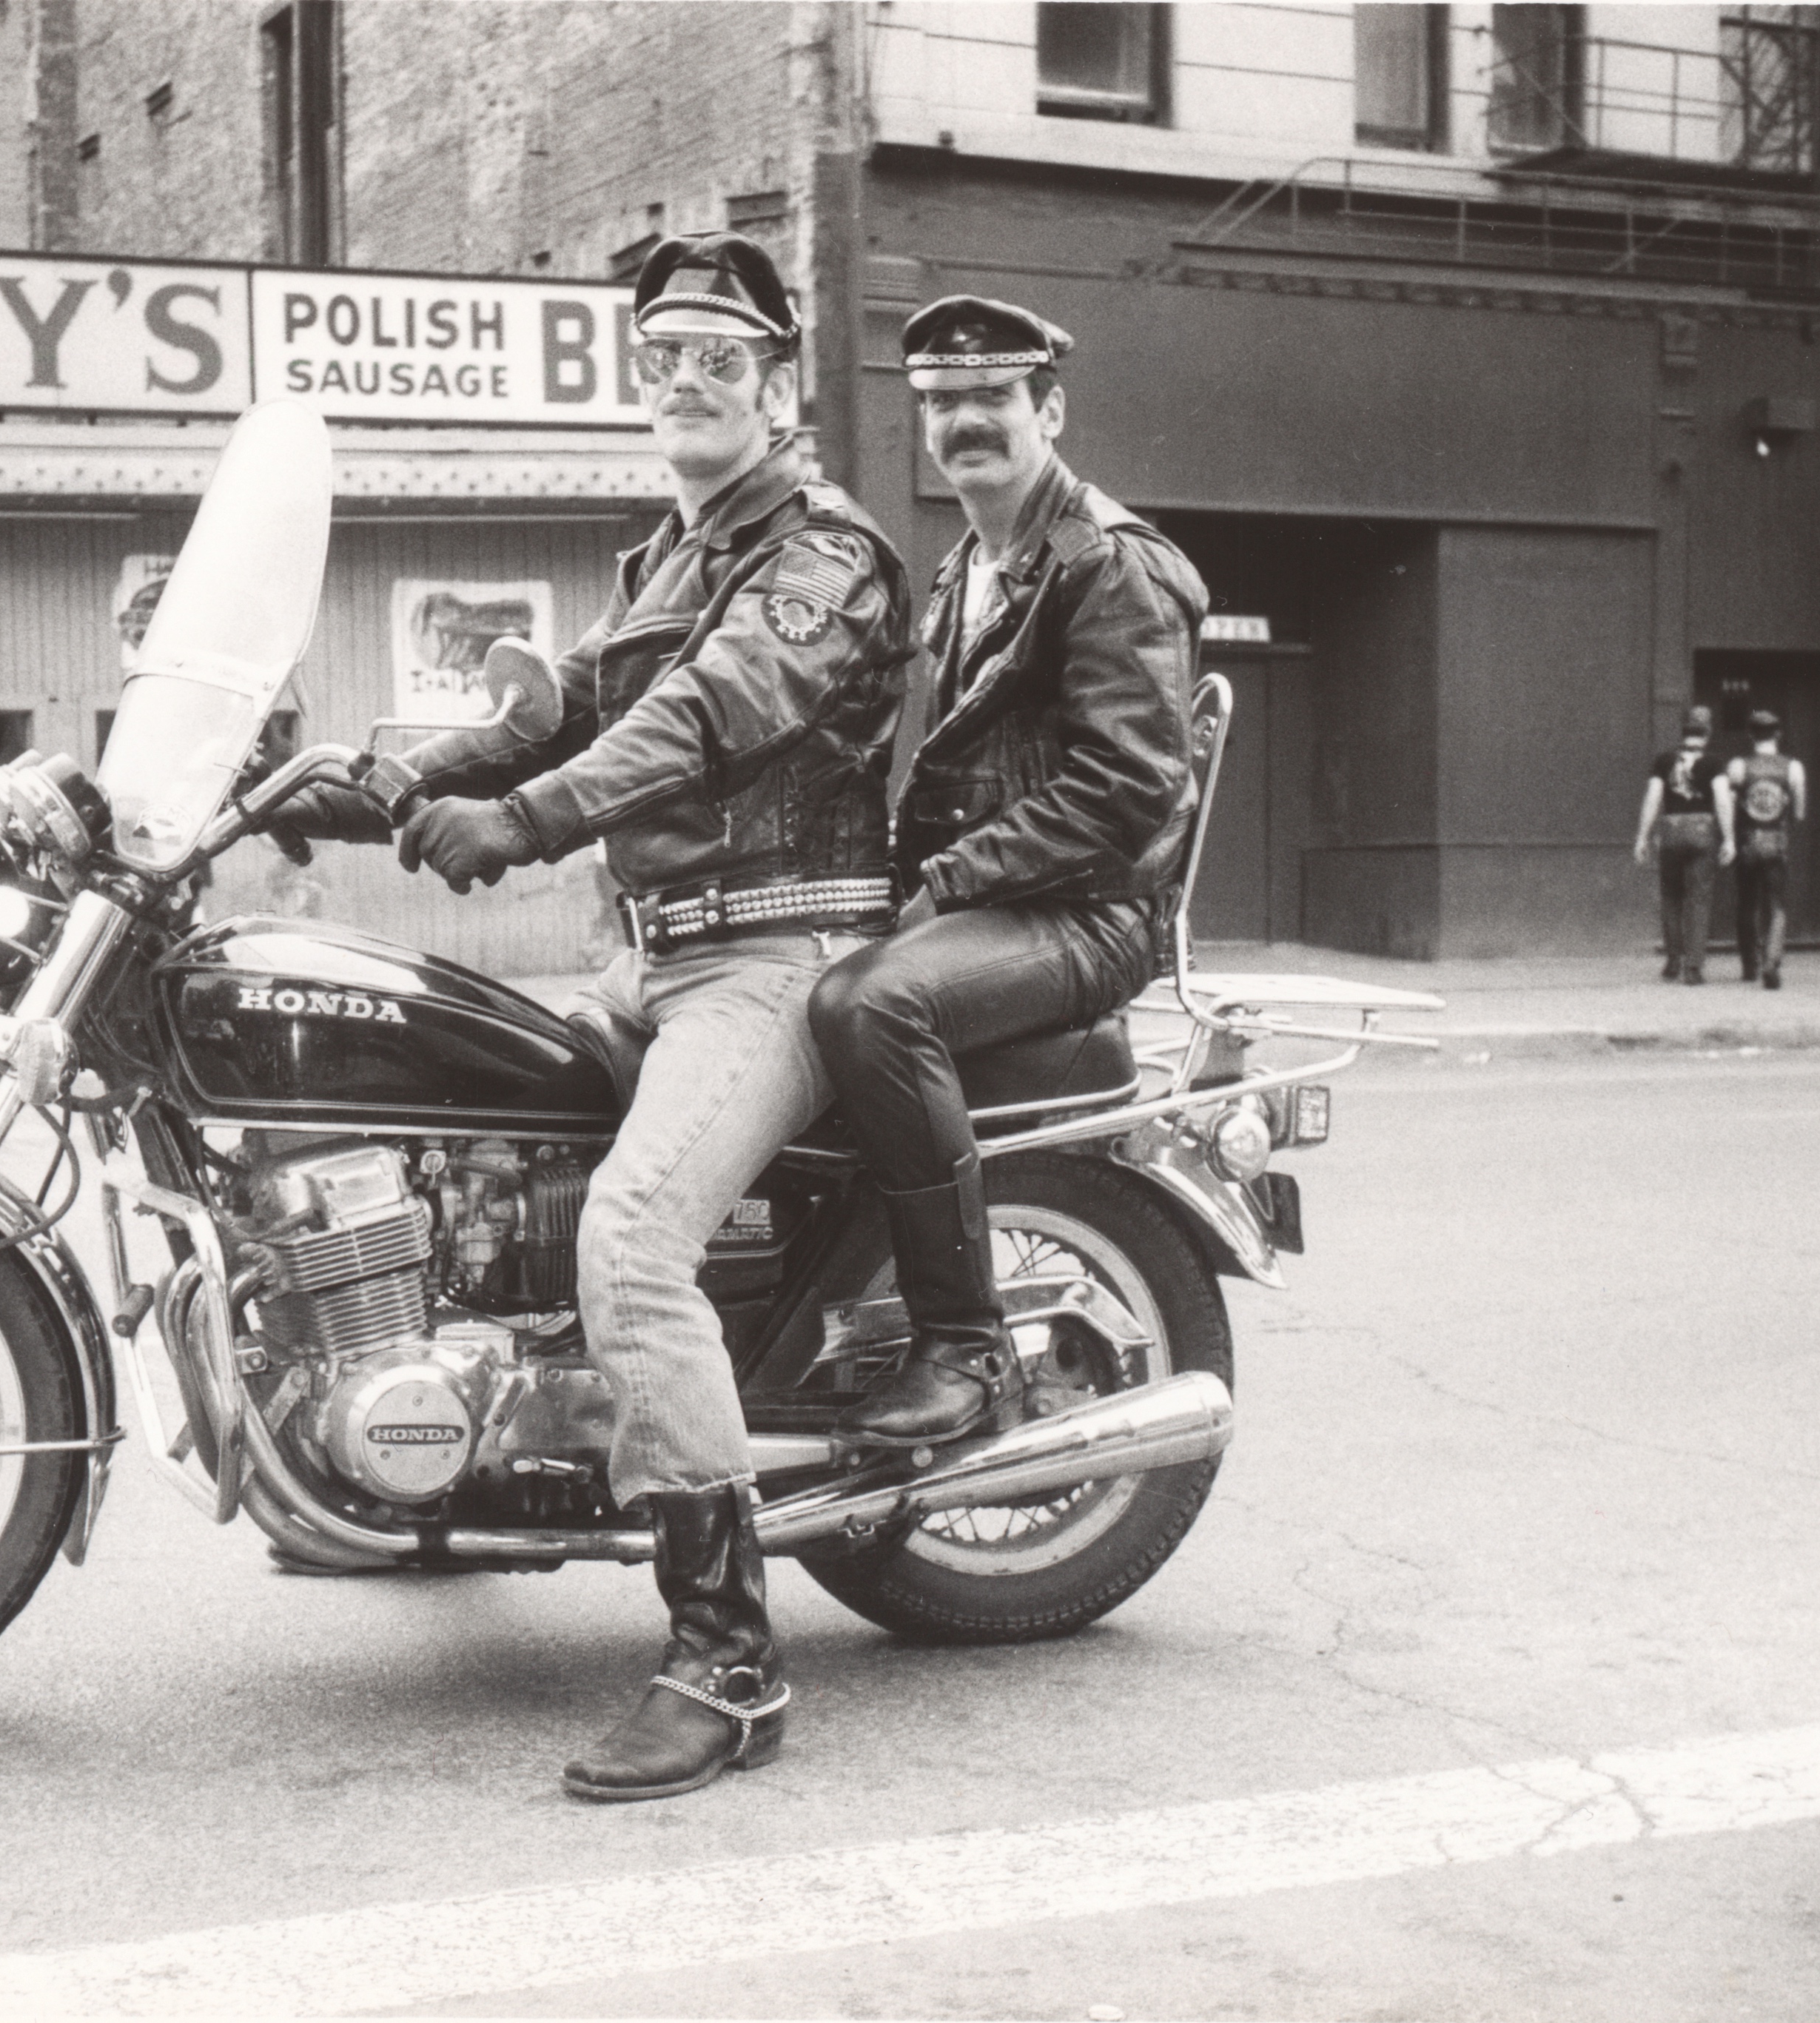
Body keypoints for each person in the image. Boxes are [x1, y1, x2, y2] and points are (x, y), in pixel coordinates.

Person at [266, 232, 916, 1802]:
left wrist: (533, 818)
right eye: (665, 358)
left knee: (627, 1239)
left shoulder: (826, 556)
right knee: (453, 1143)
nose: (687, 381)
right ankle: (452, 1460)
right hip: (658, 954)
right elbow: (553, 702)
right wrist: (379, 774)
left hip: (776, 958)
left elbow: (704, 717)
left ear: (775, 385)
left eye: (720, 359)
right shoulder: (665, 556)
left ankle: (729, 1663)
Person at [800, 297, 1201, 1449]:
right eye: (940, 403)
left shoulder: (1110, 566)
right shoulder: (968, 565)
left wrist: (949, 880)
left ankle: (962, 1347)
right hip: (1003, 896)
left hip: (1087, 911)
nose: (964, 421)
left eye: (991, 398)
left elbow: (1129, 787)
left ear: (1048, 409)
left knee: (868, 1003)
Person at [1713, 710, 1806, 990]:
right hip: (1776, 841)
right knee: (1776, 905)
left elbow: (1727, 807)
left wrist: (1729, 839)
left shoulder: (1738, 766)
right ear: (1778, 734)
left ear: (1751, 735)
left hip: (1747, 842)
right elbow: (1799, 812)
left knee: (1747, 903)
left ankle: (1749, 966)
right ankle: (1772, 962)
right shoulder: (1793, 767)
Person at [1633, 706, 1720, 984]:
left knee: (1671, 896)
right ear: (1708, 732)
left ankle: (1673, 961)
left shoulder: (1664, 760)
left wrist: (1642, 837)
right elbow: (1723, 800)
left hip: (1671, 830)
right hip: (1702, 830)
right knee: (1699, 899)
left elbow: (1653, 798)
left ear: (1683, 730)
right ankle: (1693, 968)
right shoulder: (1714, 762)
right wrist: (1729, 837)